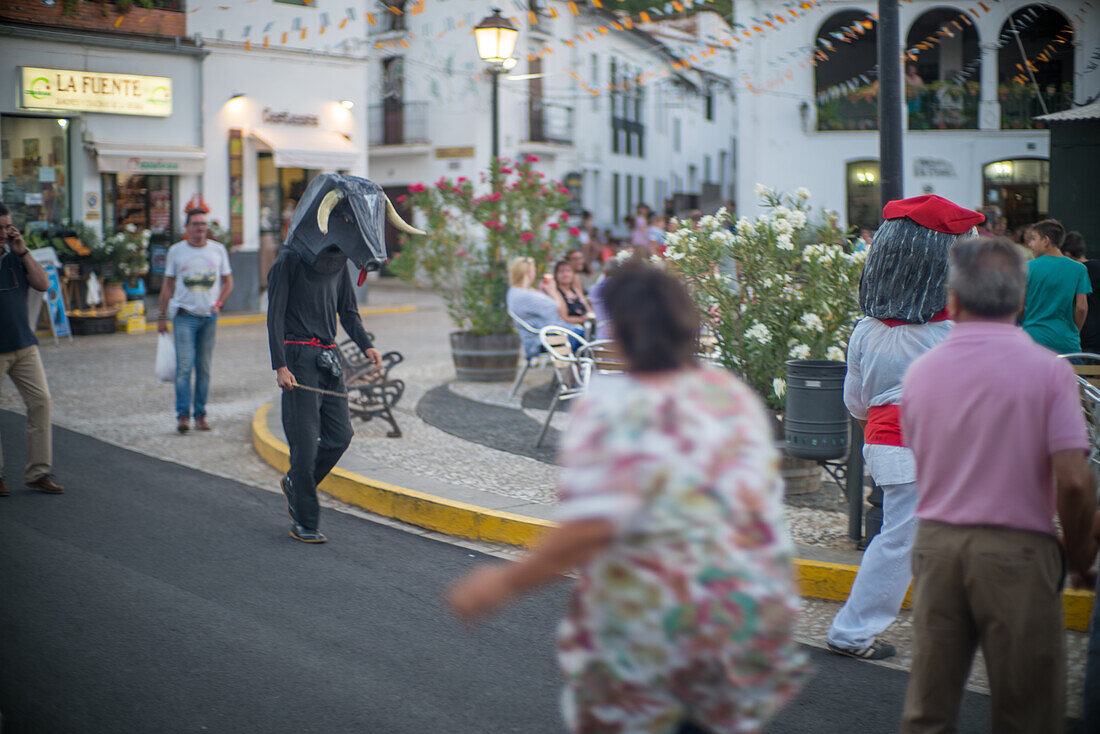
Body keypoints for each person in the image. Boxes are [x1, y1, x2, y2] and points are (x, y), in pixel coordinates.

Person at [448, 263, 809, 733]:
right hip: (744, 622)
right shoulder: (731, 395)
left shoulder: (611, 407)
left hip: (657, 633)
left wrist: (503, 583)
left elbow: (594, 526)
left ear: (619, 331)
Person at [900, 236, 1098, 733]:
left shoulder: (921, 373)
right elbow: (1074, 481)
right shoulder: (1048, 373)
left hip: (936, 545)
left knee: (929, 709)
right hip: (1017, 551)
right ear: (1021, 300)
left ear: (954, 299)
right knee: (1026, 712)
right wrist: (1079, 557)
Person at [826, 194, 982, 661]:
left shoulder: (866, 330)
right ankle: (851, 633)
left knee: (915, 537)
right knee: (900, 543)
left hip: (888, 445)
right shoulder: (955, 332)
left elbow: (855, 402)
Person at [268, 174, 412, 543]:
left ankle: (295, 484)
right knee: (305, 441)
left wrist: (366, 345)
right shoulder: (288, 261)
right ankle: (306, 520)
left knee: (339, 436)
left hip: (330, 358)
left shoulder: (339, 264)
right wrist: (280, 365)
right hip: (299, 359)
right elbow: (275, 315)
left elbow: (348, 312)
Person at [0, 204, 64, 496]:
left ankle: (39, 472)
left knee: (41, 402)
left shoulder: (15, 257)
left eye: (8, 227)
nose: (4, 233)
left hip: (24, 344)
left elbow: (43, 284)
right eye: (0, 228)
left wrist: (23, 251)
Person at [158, 209, 234, 433]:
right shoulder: (176, 251)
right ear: (187, 227)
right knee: (184, 367)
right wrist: (161, 316)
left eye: (203, 224)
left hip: (209, 318)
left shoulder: (217, 250)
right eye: (195, 224)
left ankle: (200, 414)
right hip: (183, 316)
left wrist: (219, 303)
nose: (200, 228)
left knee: (204, 368)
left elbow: (229, 282)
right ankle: (183, 416)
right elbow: (168, 284)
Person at [1021, 218, 1091, 354]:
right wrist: (1073, 331)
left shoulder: (1027, 268)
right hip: (1067, 343)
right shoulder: (1079, 269)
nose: (1030, 244)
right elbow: (1081, 308)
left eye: (1034, 239)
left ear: (1046, 240)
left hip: (1033, 340)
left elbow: (1019, 306)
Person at [505, 256, 578, 360]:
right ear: (529, 273)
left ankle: (573, 370)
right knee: (582, 333)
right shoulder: (525, 295)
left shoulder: (516, 291)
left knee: (581, 332)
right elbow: (558, 310)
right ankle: (574, 370)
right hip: (541, 340)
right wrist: (552, 290)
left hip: (538, 336)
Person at [1061, 230, 1100, 354]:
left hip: (1081, 335)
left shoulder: (1071, 272)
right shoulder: (1097, 266)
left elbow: (1080, 307)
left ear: (1067, 254)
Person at [541, 259, 593, 328]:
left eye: (568, 271)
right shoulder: (557, 292)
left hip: (585, 327)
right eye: (561, 272)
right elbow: (564, 318)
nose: (565, 274)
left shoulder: (575, 290)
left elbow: (589, 310)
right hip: (570, 329)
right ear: (556, 275)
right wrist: (583, 319)